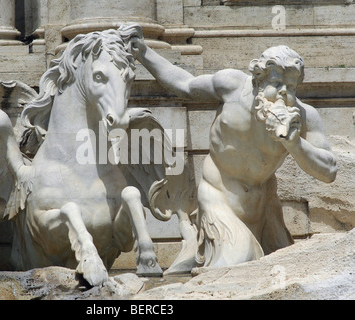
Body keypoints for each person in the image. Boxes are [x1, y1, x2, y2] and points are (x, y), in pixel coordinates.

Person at [130, 38, 337, 267]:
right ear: (259, 79)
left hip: (264, 206)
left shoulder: (304, 116)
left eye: (291, 86)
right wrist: (144, 52)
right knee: (238, 263)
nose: (284, 94)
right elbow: (184, 84)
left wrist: (295, 144)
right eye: (277, 83)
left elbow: (329, 171)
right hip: (218, 197)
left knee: (285, 267)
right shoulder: (231, 86)